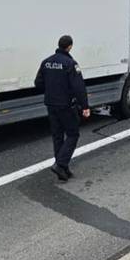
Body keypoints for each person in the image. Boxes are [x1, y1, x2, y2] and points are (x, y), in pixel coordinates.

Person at [34, 35, 90, 182]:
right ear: (70, 46)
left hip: (50, 104)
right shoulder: (70, 63)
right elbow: (79, 87)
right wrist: (85, 106)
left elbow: (38, 83)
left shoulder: (46, 62)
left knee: (57, 135)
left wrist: (51, 89)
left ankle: (63, 169)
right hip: (65, 105)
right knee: (73, 134)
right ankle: (60, 164)